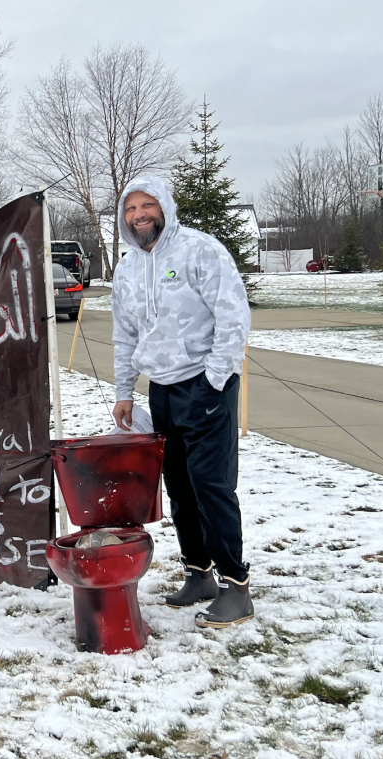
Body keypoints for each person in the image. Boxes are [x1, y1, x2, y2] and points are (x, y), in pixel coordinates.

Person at [109, 175, 253, 629]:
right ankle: (199, 574)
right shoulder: (127, 268)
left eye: (147, 205)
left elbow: (233, 314)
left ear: (164, 207)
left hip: (205, 387)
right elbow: (125, 334)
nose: (139, 215)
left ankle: (235, 585)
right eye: (131, 209)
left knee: (211, 485)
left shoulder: (199, 250)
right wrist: (123, 391)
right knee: (178, 487)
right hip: (163, 390)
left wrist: (217, 376)